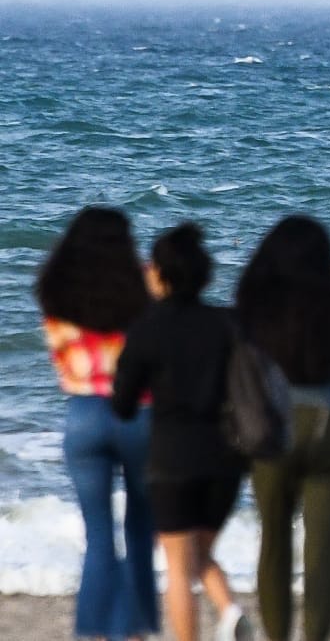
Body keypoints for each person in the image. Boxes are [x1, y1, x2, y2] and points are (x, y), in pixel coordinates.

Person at [235, 215, 330, 641]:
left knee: (274, 541)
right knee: (325, 549)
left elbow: (240, 373)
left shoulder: (254, 306)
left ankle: (277, 636)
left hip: (271, 432)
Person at [111, 223, 252, 641]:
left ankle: (216, 620)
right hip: (227, 460)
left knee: (177, 565)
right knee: (200, 555)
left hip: (172, 457)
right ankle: (228, 612)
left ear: (160, 273)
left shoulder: (148, 328)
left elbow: (123, 403)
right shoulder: (229, 324)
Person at [34, 206, 159, 641]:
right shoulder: (143, 286)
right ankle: (135, 631)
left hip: (84, 413)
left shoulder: (54, 290)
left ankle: (92, 634)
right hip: (139, 412)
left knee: (99, 537)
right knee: (141, 532)